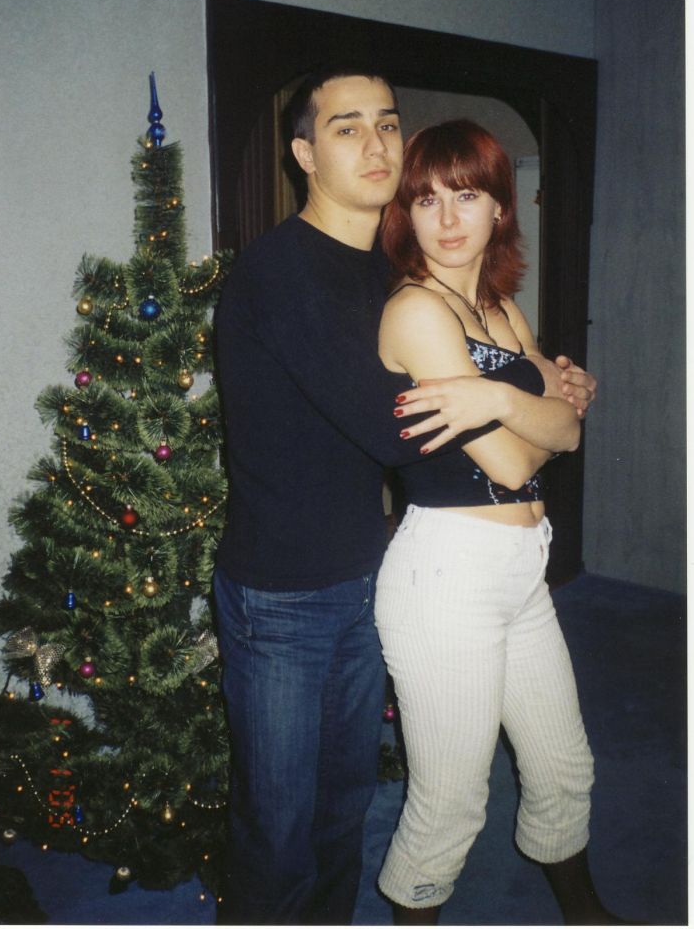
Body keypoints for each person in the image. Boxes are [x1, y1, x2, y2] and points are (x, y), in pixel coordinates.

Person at [213, 69, 596, 925]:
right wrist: (535, 394)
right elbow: (406, 432)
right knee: (277, 824)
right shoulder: (285, 272)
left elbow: (503, 391)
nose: (376, 142)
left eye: (386, 123)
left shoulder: (382, 268)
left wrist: (529, 386)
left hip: (362, 565)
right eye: (346, 127)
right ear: (304, 153)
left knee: (343, 807)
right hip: (281, 591)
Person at [375, 118, 615, 925]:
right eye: (427, 200)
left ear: (498, 208)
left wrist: (502, 401)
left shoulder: (498, 307)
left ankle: (585, 914)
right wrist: (534, 410)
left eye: (467, 196)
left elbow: (566, 425)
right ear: (405, 214)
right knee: (449, 802)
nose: (447, 219)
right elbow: (515, 463)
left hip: (520, 573)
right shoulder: (415, 312)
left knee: (562, 767)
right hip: (446, 576)